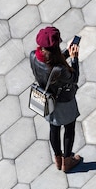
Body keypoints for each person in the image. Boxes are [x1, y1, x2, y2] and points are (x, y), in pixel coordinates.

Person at [30, 26, 82, 173]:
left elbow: (51, 63)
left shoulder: (33, 56)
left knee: (54, 128)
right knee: (69, 129)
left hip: (47, 101)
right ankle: (67, 162)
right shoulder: (61, 70)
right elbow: (74, 78)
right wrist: (74, 58)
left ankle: (58, 160)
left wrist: (65, 52)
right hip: (64, 101)